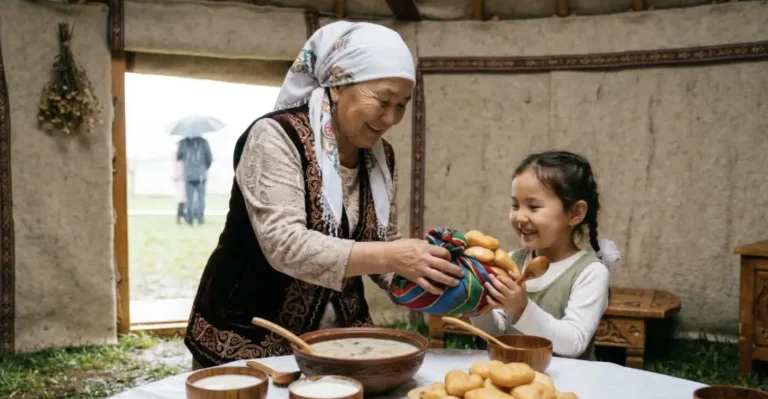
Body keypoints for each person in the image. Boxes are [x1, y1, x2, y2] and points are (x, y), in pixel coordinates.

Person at [184, 21, 463, 369]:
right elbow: (285, 245)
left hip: (339, 335)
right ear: (337, 86)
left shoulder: (380, 156)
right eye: (383, 100)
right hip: (250, 332)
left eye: (402, 105)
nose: (391, 117)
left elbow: (381, 240)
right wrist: (396, 256)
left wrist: (440, 278)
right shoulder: (275, 137)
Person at [469, 151, 620, 360]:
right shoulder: (512, 261)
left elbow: (574, 342)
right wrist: (477, 306)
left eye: (533, 207)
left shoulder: (590, 272)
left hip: (569, 385)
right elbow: (497, 334)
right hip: (516, 381)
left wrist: (522, 308)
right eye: (515, 205)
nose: (520, 216)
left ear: (575, 213)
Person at [177, 135, 213, 225]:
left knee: (189, 199)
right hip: (201, 174)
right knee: (201, 199)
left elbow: (178, 156)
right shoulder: (204, 142)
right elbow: (209, 158)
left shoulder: (183, 142)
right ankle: (201, 219)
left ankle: (189, 220)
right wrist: (204, 168)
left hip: (189, 174)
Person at [173, 141, 186, 225]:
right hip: (181, 179)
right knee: (182, 198)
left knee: (182, 199)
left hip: (181, 178)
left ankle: (182, 215)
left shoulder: (180, 155)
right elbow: (177, 167)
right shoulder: (178, 155)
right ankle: (180, 216)